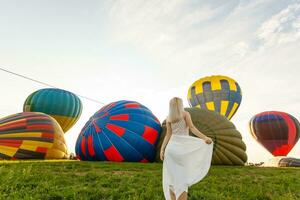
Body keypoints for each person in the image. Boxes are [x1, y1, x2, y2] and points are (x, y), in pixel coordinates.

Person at [160, 97, 214, 200]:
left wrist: (162, 149)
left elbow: (168, 135)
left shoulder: (168, 118)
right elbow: (192, 128)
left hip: (171, 150)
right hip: (182, 149)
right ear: (180, 105)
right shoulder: (185, 114)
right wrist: (205, 137)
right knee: (182, 178)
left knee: (171, 179)